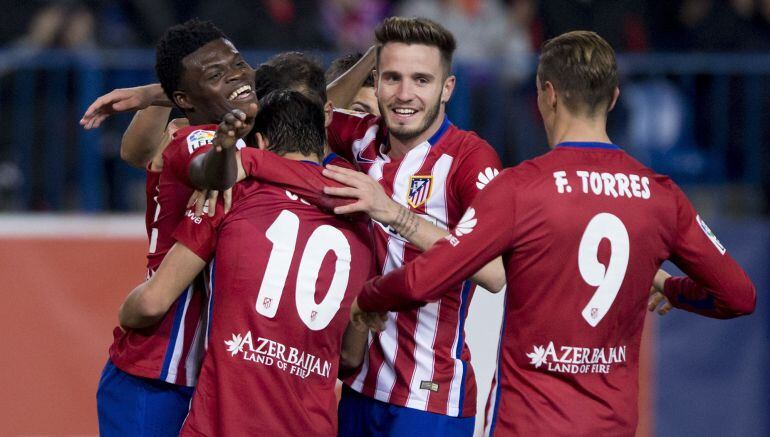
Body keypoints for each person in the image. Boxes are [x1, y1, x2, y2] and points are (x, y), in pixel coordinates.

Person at [350, 30, 756, 436]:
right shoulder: (660, 195)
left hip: (526, 423)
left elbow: (428, 276)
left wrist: (370, 297)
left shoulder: (521, 189)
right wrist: (675, 289)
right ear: (614, 98)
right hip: (610, 425)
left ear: (547, 95)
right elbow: (739, 296)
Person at [119, 89, 374, 436]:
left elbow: (152, 301)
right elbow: (351, 358)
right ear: (323, 144)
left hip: (222, 424)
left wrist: (124, 314)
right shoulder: (363, 223)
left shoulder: (229, 195)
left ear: (261, 142)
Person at [94, 19, 257, 437]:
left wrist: (153, 94)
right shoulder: (197, 138)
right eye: (216, 74)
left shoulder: (248, 134)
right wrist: (221, 150)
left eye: (238, 64)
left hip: (209, 372)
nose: (237, 75)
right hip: (160, 371)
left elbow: (301, 100)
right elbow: (202, 167)